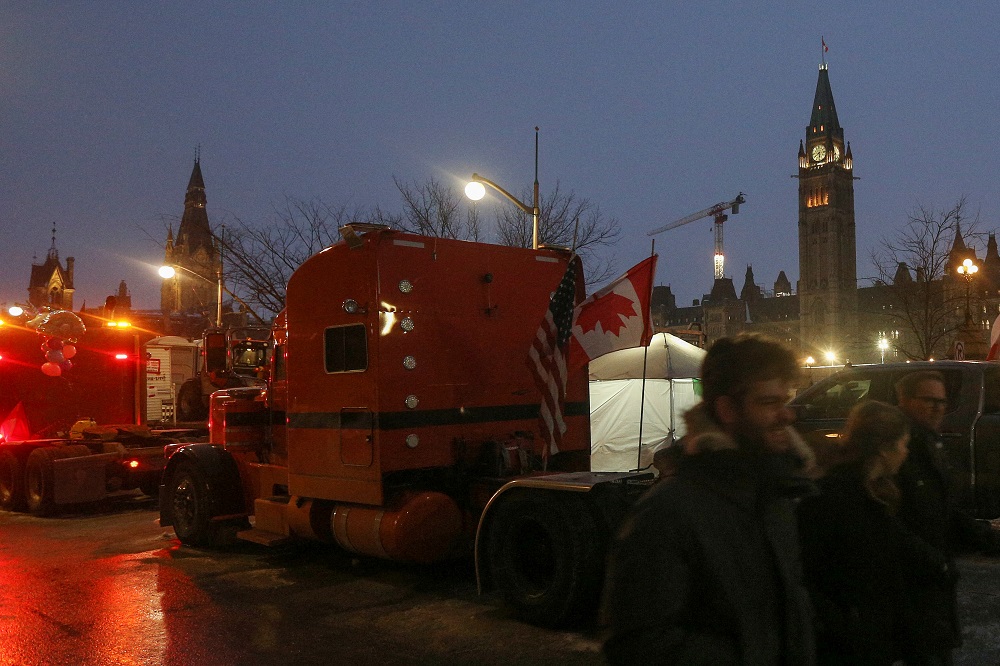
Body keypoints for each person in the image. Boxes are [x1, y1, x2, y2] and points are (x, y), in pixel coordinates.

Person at [601, 333, 816, 665]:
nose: (787, 416)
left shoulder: (776, 495)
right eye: (769, 403)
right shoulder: (666, 512)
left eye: (786, 401)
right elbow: (638, 646)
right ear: (728, 409)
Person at [798, 400, 951, 665]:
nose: (905, 453)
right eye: (903, 444)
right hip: (847, 645)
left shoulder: (872, 492)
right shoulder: (837, 497)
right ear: (884, 449)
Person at [894, 370, 1000, 665]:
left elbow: (942, 510)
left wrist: (984, 531)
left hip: (933, 575)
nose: (937, 407)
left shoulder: (930, 441)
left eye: (941, 401)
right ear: (903, 400)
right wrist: (934, 561)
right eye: (927, 400)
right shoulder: (897, 449)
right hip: (914, 581)